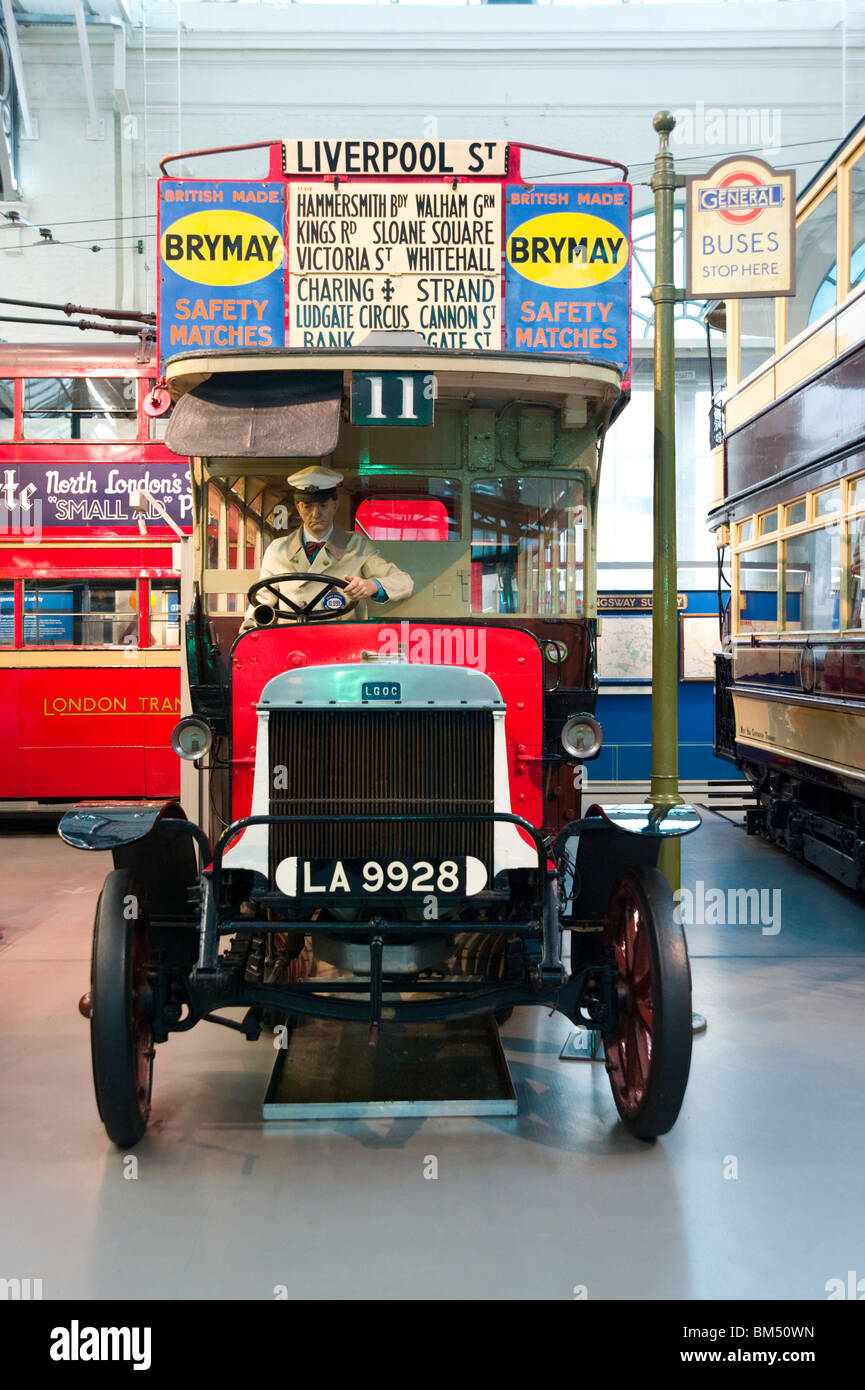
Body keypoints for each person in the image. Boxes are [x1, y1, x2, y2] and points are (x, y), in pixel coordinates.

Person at [240, 465, 413, 630]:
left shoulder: (356, 546)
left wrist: (372, 586)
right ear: (299, 507)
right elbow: (262, 601)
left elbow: (404, 582)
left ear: (334, 504)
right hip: (291, 644)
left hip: (343, 646)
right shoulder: (278, 550)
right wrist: (251, 622)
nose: (316, 514)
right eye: (308, 506)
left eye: (322, 505)